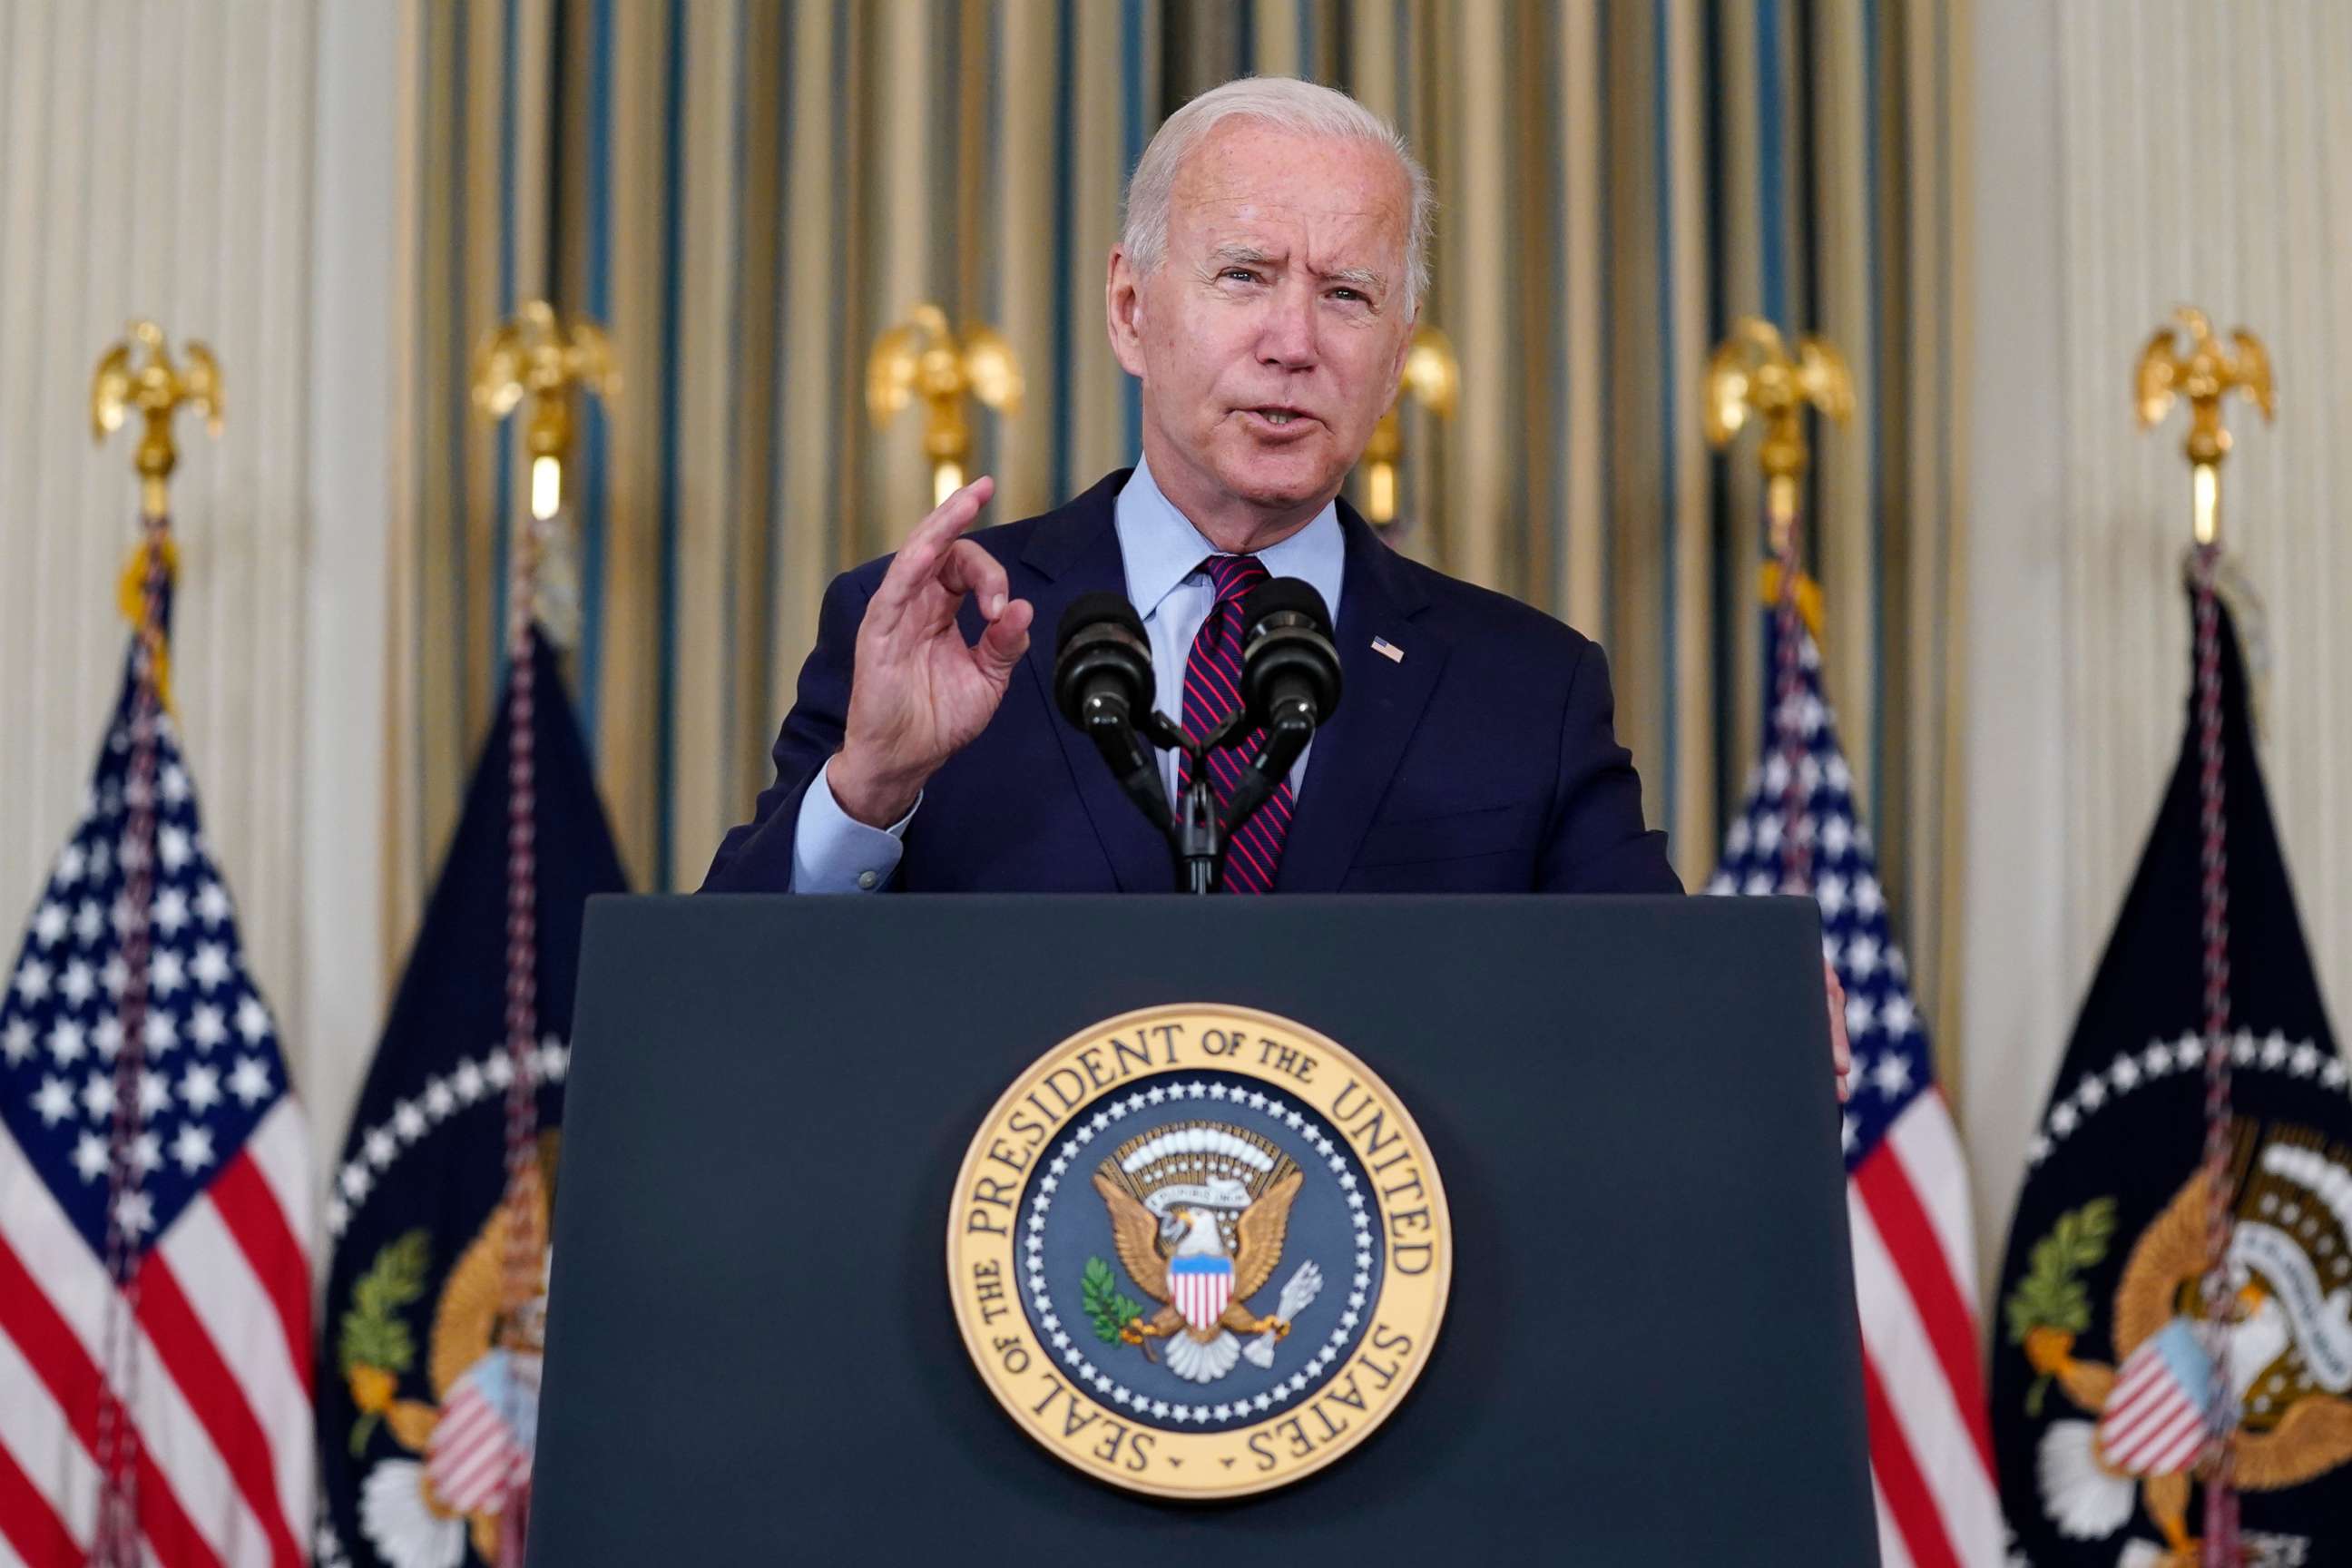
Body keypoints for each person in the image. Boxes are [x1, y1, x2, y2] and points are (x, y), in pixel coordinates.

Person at [701, 77, 1848, 1086]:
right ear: (1130, 309)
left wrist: (1755, 1017)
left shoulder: (1525, 690)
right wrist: (869, 791)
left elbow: (1652, 1000)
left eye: (1347, 295)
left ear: (1397, 353)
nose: (1293, 341)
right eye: (1245, 276)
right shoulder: (931, 631)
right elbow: (723, 1007)